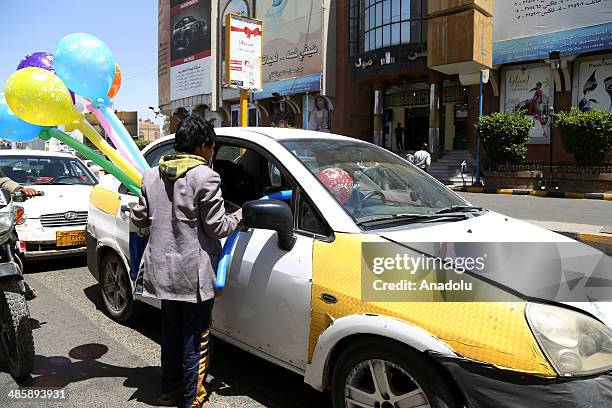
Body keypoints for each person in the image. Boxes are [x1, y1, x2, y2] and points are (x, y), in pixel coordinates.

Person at [131, 116, 243, 408]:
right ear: (202, 146)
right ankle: (194, 397)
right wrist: (241, 215)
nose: (213, 152)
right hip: (192, 277)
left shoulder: (151, 175)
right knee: (196, 338)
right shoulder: (205, 177)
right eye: (213, 146)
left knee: (170, 336)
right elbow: (217, 227)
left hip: (162, 272)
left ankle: (168, 391)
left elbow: (140, 219)